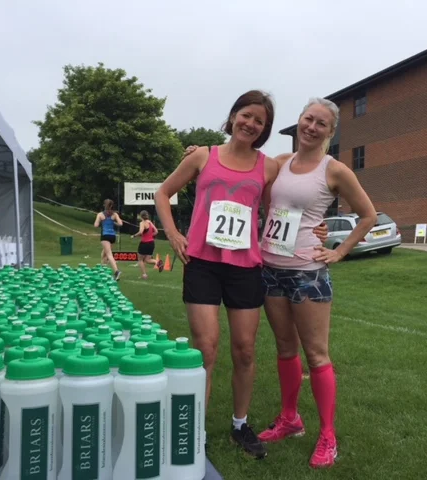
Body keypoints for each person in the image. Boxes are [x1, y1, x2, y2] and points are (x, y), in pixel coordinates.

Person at [155, 90, 326, 459]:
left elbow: (284, 208)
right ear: (233, 116)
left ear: (264, 130)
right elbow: (163, 193)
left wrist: (317, 228)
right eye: (246, 115)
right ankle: (195, 429)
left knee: (245, 350)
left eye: (259, 121)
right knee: (206, 349)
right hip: (202, 264)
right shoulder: (203, 156)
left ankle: (239, 424)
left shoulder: (268, 167)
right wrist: (173, 233)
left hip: (245, 268)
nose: (250, 124)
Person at [256, 98, 376, 469]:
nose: (311, 127)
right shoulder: (280, 162)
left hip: (308, 273)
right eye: (308, 118)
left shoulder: (334, 170)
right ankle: (290, 419)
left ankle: (328, 435)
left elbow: (368, 215)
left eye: (321, 123)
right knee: (284, 348)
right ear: (299, 120)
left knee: (316, 354)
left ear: (330, 132)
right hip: (270, 268)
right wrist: (201, 153)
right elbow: (240, 164)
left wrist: (339, 252)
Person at [94, 199, 123, 280]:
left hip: (105, 236)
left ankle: (116, 271)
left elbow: (96, 225)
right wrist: (114, 223)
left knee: (109, 254)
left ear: (104, 205)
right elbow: (120, 224)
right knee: (104, 254)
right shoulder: (115, 214)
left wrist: (100, 221)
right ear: (111, 206)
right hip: (112, 236)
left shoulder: (100, 214)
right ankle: (102, 271)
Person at [131, 210, 164, 279]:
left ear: (141, 216)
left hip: (144, 243)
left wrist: (134, 235)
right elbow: (156, 231)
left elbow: (140, 232)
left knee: (140, 259)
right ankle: (158, 262)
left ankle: (144, 275)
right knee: (147, 260)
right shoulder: (150, 222)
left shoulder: (142, 223)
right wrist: (150, 235)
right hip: (151, 243)